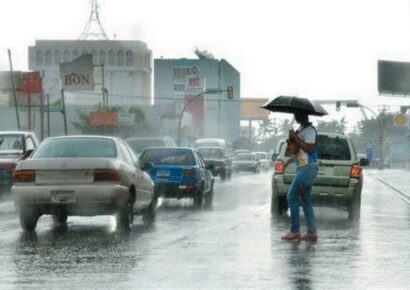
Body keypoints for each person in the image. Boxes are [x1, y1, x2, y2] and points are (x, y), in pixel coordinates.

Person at [281, 109, 319, 242]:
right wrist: (291, 138)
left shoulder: (310, 131)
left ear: (302, 115)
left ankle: (295, 230)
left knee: (291, 196)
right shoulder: (301, 131)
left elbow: (309, 149)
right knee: (306, 201)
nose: (295, 116)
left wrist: (296, 137)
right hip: (302, 168)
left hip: (308, 168)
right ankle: (311, 232)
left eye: (297, 114)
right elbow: (296, 152)